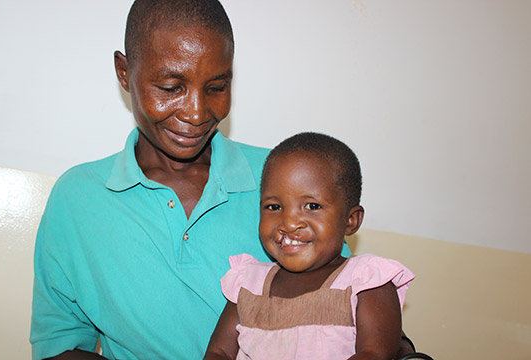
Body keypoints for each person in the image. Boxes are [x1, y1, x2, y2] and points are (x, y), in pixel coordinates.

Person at [30, 1, 415, 359]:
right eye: (170, 87)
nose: (197, 112)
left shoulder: (287, 181)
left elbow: (350, 311)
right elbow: (60, 343)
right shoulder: (77, 199)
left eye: (216, 87)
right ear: (124, 72)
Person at [204, 132, 415, 360]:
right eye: (274, 207)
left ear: (350, 220)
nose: (289, 222)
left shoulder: (366, 281)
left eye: (312, 206)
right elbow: (219, 352)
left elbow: (376, 354)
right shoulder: (247, 284)